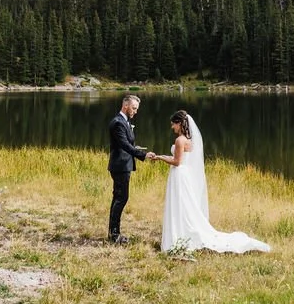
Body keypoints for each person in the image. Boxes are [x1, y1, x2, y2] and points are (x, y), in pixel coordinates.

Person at [148, 110, 270, 254]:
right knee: (184, 206)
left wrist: (160, 157)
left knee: (180, 205)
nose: (172, 127)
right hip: (183, 175)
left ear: (179, 123)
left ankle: (179, 236)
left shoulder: (180, 140)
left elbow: (176, 161)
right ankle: (181, 234)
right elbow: (180, 159)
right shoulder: (189, 140)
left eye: (173, 124)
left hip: (179, 175)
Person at [107, 95, 153, 244]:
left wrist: (136, 148)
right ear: (125, 106)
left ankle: (113, 233)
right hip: (120, 166)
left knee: (118, 198)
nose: (135, 112)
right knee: (121, 198)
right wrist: (143, 155)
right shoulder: (118, 123)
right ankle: (115, 235)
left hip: (123, 165)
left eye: (136, 109)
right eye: (134, 108)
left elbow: (127, 143)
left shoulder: (125, 121)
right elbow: (124, 145)